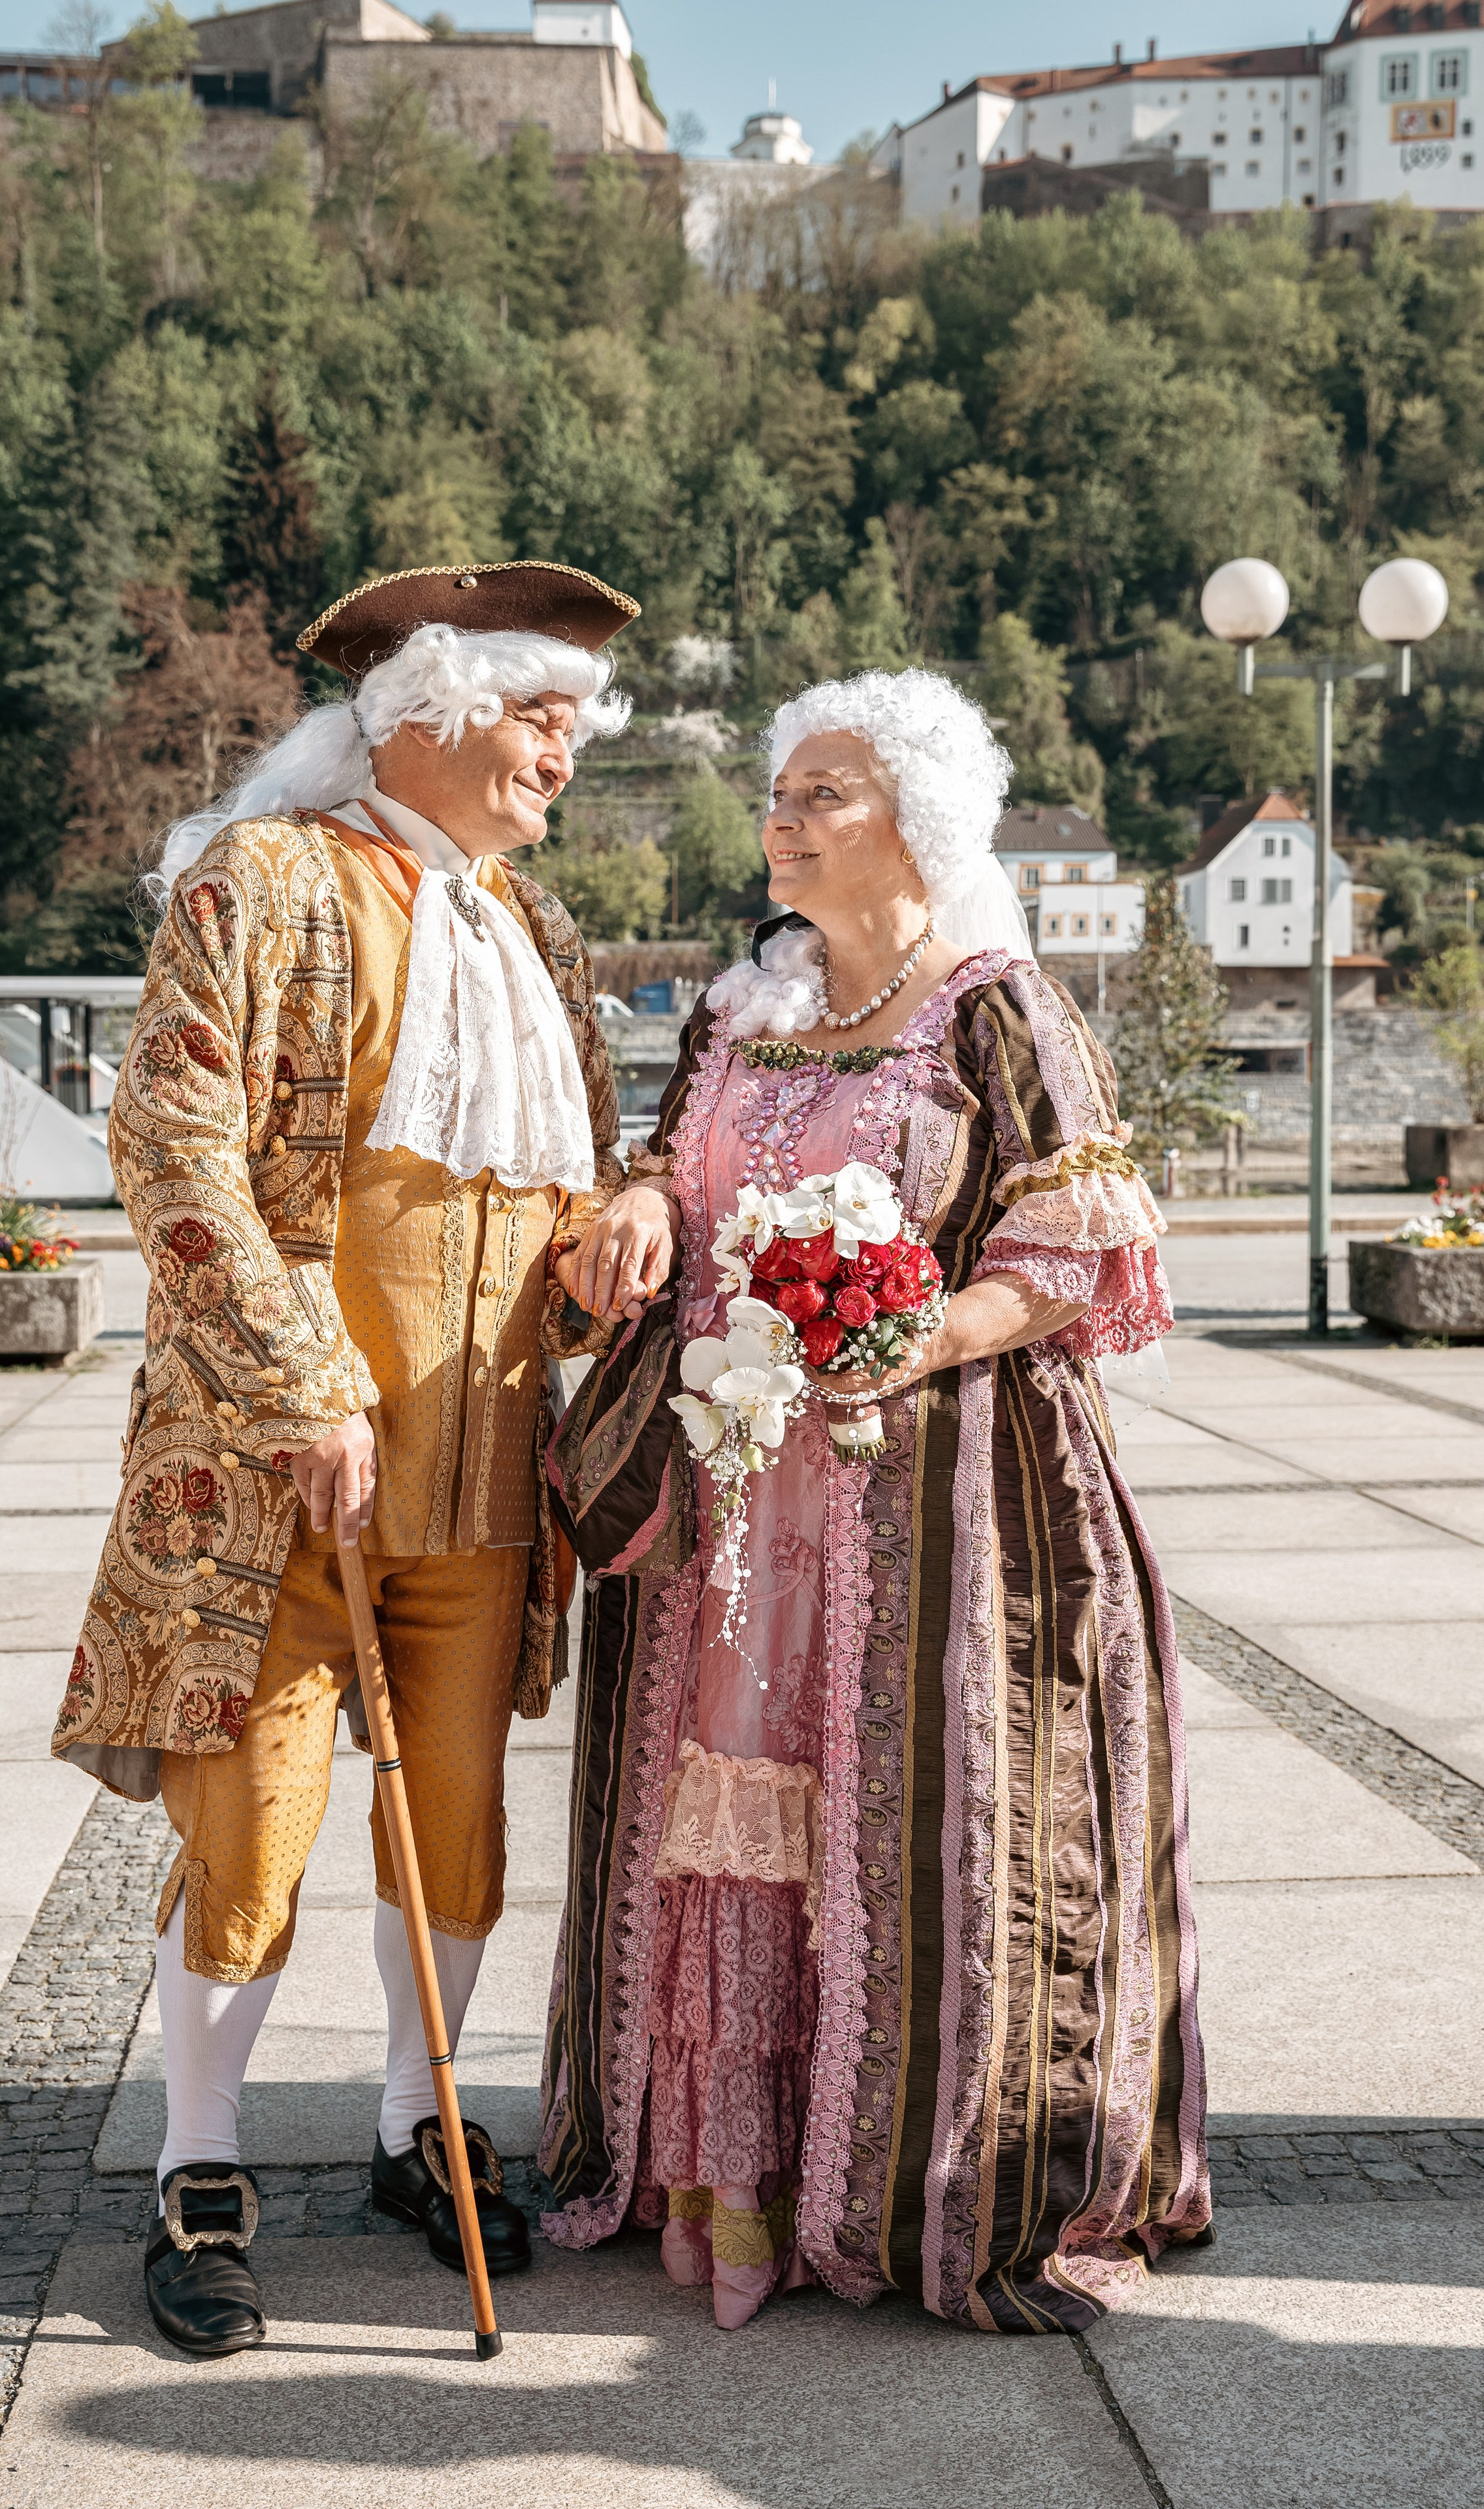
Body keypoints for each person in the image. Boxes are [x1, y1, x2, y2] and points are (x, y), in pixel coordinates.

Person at [540, 667, 1211, 2334]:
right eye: (778, 791)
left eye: (818, 793)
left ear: (915, 820)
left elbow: (1077, 1246)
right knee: (712, 1805)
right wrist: (640, 1197)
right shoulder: (734, 1011)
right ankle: (725, 2175)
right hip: (725, 1501)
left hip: (938, 1498)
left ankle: (891, 2180)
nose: (780, 818)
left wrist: (919, 1336)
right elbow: (672, 1162)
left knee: (904, 1821)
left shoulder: (991, 1009)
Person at [52, 561, 673, 2357]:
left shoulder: (536, 929)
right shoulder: (260, 880)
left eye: (572, 726)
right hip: (283, 1483)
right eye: (539, 718)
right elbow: (170, 1149)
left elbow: (570, 1168)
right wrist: (302, 1381)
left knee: (456, 1830)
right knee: (252, 1835)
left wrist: (620, 1221)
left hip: (482, 1487)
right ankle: (200, 2160)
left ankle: (421, 2123)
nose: (563, 755)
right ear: (424, 712)